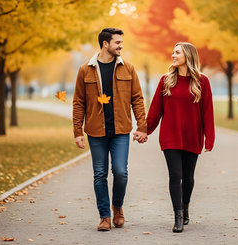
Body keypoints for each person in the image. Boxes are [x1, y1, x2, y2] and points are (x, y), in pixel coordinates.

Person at [72, 27, 148, 231]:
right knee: (100, 174)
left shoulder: (128, 68)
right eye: (117, 42)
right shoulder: (85, 70)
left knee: (120, 172)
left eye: (121, 42)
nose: (121, 46)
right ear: (105, 44)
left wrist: (142, 126)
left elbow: (137, 99)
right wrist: (78, 132)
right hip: (96, 131)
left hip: (121, 130)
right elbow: (78, 102)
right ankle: (104, 216)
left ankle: (118, 207)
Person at [146, 42, 215, 233]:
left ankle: (185, 207)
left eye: (177, 52)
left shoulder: (202, 81)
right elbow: (155, 111)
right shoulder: (165, 80)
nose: (173, 55)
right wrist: (144, 130)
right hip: (170, 136)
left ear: (188, 56)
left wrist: (209, 139)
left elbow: (208, 112)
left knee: (188, 177)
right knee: (175, 175)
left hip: (192, 136)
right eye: (173, 52)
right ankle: (177, 216)